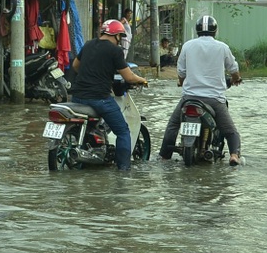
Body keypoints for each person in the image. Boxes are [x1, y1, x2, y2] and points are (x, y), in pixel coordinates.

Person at [159, 15, 243, 166]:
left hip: (189, 98)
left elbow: (181, 72)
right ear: (215, 31)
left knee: (173, 126)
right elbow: (234, 69)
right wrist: (236, 78)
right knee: (230, 131)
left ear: (197, 30)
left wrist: (182, 82)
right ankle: (234, 156)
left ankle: (164, 157)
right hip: (214, 99)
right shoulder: (222, 47)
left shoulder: (187, 46)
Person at [70, 19, 148, 171]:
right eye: (120, 36)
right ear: (117, 35)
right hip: (99, 99)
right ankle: (123, 170)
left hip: (77, 97)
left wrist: (90, 76)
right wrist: (142, 80)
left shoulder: (88, 44)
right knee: (123, 131)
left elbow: (75, 66)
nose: (120, 41)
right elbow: (129, 77)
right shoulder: (115, 51)